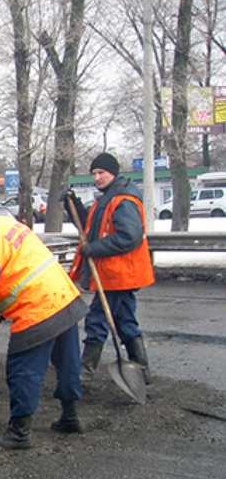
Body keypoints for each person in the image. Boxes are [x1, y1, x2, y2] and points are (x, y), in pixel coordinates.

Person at [0, 202, 89, 449]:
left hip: (38, 307)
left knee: (22, 370)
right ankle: (71, 416)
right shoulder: (2, 223)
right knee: (68, 363)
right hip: (64, 296)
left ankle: (20, 434)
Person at [68, 153, 154, 384]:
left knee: (97, 319)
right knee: (125, 320)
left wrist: (95, 248)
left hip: (119, 273)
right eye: (94, 173)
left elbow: (129, 237)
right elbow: (92, 224)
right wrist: (74, 205)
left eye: (101, 173)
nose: (97, 177)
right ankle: (143, 371)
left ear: (112, 173)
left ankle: (85, 373)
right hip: (114, 274)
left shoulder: (123, 200)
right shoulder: (106, 199)